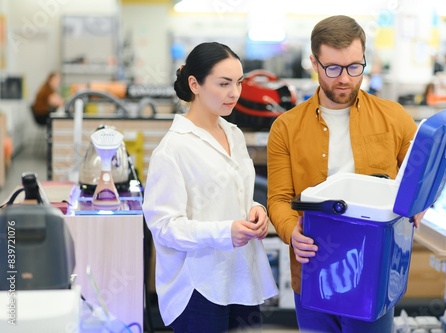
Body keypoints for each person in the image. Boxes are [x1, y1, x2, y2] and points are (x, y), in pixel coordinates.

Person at [267, 15, 426, 333]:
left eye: (355, 67)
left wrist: (419, 203)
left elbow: (421, 176)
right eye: (334, 68)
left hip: (375, 269)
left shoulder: (393, 118)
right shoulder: (286, 128)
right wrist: (290, 233)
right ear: (314, 62)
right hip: (313, 270)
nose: (346, 79)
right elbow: (280, 199)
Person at [142, 42, 278, 333]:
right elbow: (165, 227)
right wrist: (224, 232)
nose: (235, 93)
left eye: (238, 83)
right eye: (224, 83)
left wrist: (256, 211)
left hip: (240, 278)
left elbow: (239, 195)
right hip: (199, 287)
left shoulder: (234, 134)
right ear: (195, 84)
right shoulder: (173, 149)